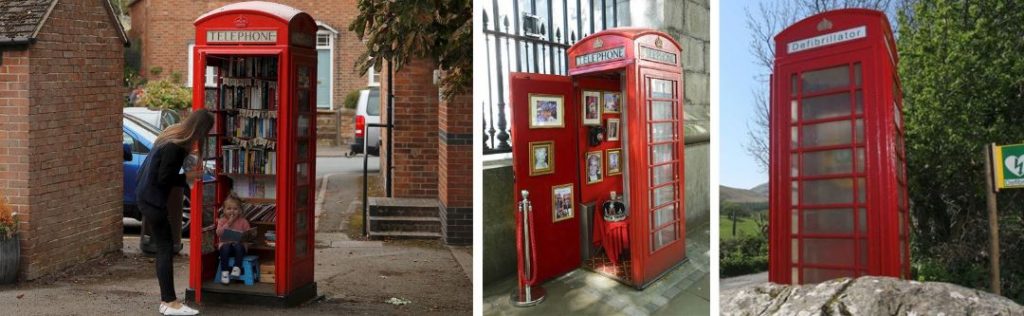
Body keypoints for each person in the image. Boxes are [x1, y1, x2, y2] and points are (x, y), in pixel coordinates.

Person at [136, 109, 214, 316]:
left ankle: (167, 302)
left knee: (166, 248)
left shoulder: (171, 135)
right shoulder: (176, 146)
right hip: (153, 200)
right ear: (201, 130)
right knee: (165, 249)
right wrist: (188, 177)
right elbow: (164, 179)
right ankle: (169, 302)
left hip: (146, 196)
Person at [216, 192, 251, 285]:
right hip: (226, 247)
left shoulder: (243, 222)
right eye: (229, 209)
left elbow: (248, 235)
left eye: (235, 209)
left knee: (238, 246)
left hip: (239, 248)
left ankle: (237, 267)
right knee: (226, 247)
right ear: (224, 210)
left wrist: (245, 239)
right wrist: (229, 223)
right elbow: (219, 233)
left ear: (240, 210)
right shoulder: (222, 221)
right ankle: (225, 273)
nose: (232, 211)